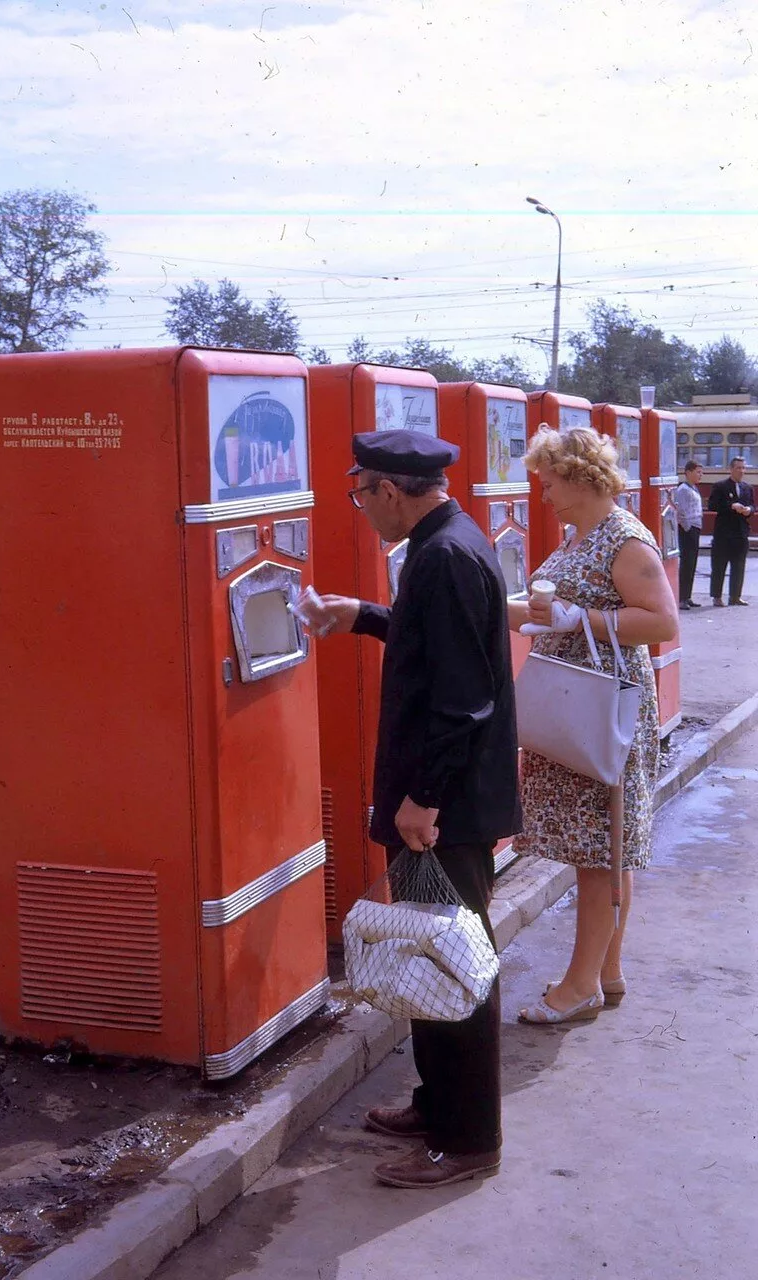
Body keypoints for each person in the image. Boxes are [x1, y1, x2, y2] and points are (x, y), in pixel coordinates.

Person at [319, 429, 521, 1189]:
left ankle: (469, 1140)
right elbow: (437, 646)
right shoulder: (449, 543)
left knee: (454, 960)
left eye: (360, 494)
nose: (362, 510)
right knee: (429, 952)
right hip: (444, 800)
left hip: (446, 807)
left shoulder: (444, 556)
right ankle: (439, 1104)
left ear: (390, 489)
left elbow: (464, 699)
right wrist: (365, 614)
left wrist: (422, 800)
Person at [510, 427, 678, 1024]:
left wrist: (581, 616)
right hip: (581, 702)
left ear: (581, 477)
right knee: (608, 846)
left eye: (550, 480)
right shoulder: (583, 534)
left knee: (599, 850)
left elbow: (661, 623)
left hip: (602, 707)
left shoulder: (625, 539)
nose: (545, 491)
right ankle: (606, 970)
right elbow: (548, 610)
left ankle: (579, 985)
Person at [708, 456, 754, 606]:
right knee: (719, 565)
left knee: (739, 566)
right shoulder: (720, 486)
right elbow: (712, 505)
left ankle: (735, 596)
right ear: (731, 469)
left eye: (743, 468)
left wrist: (749, 510)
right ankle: (717, 596)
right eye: (738, 468)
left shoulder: (748, 488)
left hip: (741, 533)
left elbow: (753, 506)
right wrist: (731, 506)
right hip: (724, 533)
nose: (741, 471)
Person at [674, 460, 703, 610]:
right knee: (687, 563)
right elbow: (681, 511)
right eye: (698, 472)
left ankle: (688, 595)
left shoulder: (694, 488)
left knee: (692, 564)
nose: (700, 475)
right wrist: (687, 528)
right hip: (689, 529)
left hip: (695, 527)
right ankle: (681, 597)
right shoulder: (683, 489)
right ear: (688, 472)